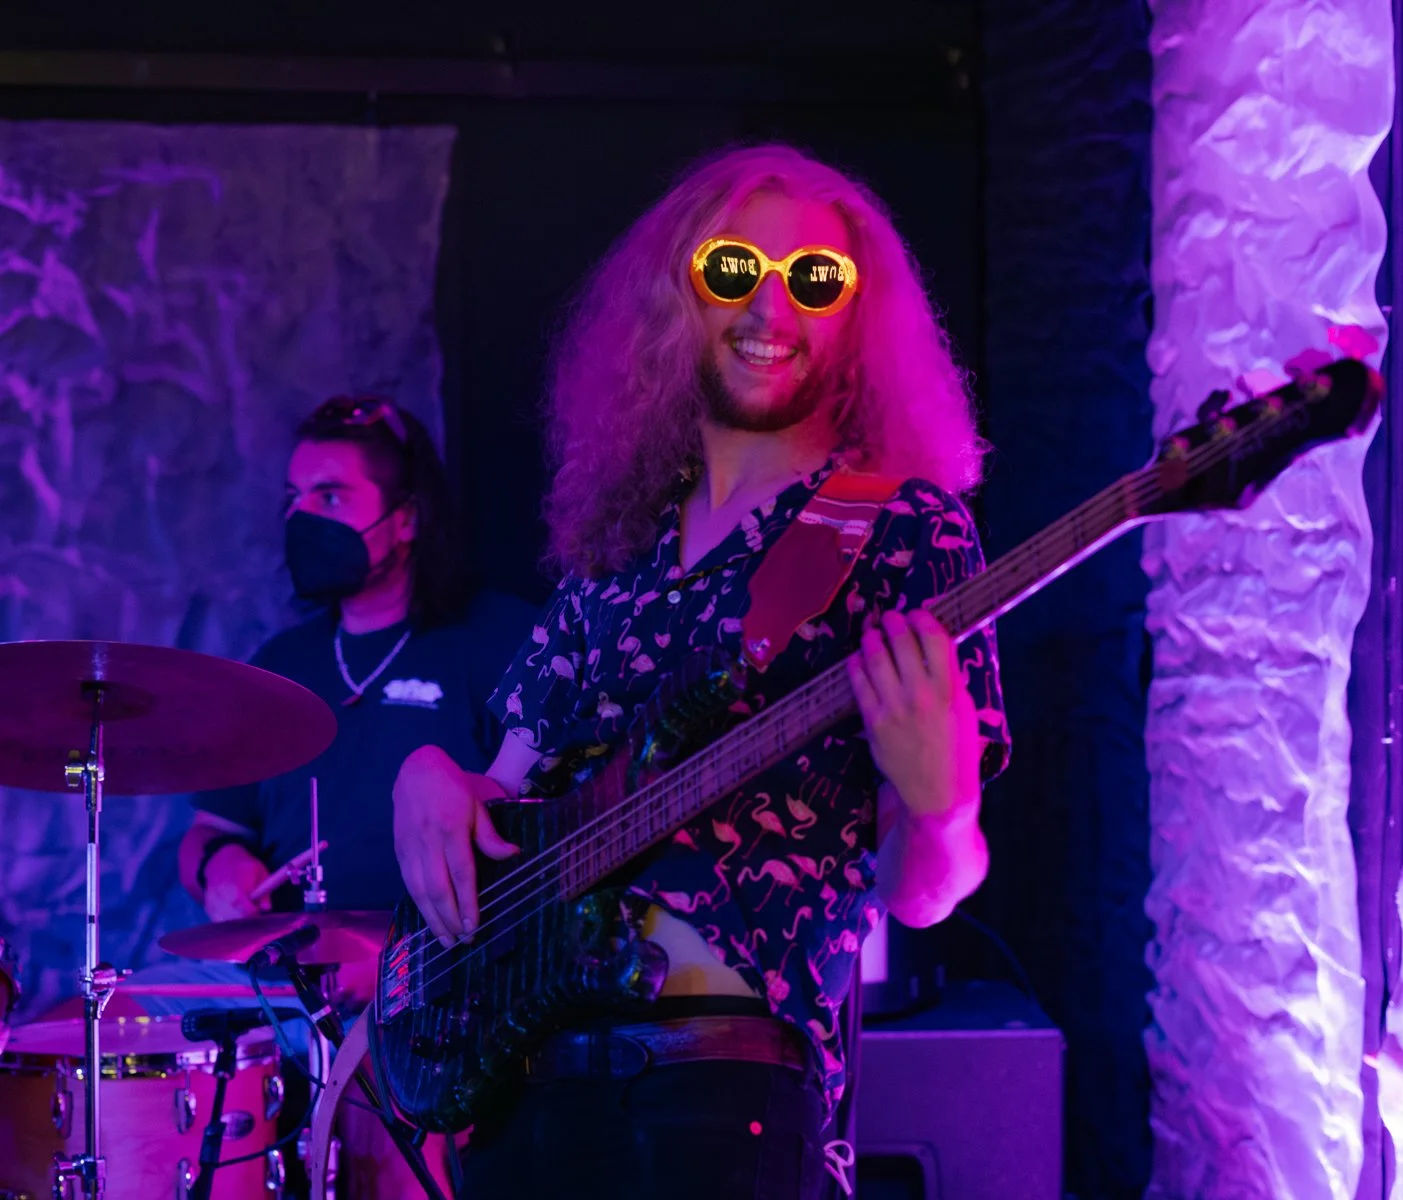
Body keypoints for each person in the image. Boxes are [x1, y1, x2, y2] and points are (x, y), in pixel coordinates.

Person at [393, 144, 1011, 1200]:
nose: (773, 308)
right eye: (735, 270)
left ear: (855, 320)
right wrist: (428, 781)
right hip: (527, 1083)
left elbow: (922, 898)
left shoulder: (903, 533)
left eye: (817, 281)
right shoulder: (619, 545)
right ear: (678, 295)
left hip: (718, 1085)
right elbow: (509, 786)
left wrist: (945, 810)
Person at [165, 397, 534, 1195]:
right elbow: (202, 835)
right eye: (293, 500)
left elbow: (550, 819)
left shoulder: (497, 639)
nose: (302, 518)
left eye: (329, 498)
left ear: (405, 520)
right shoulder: (279, 666)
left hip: (453, 1019)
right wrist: (220, 868)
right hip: (293, 1021)